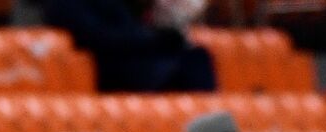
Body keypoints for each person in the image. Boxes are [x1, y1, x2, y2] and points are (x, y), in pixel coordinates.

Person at [39, 0, 215, 93]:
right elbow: (96, 36)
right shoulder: (66, 3)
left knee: (197, 56)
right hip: (108, 65)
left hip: (140, 55)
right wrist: (154, 40)